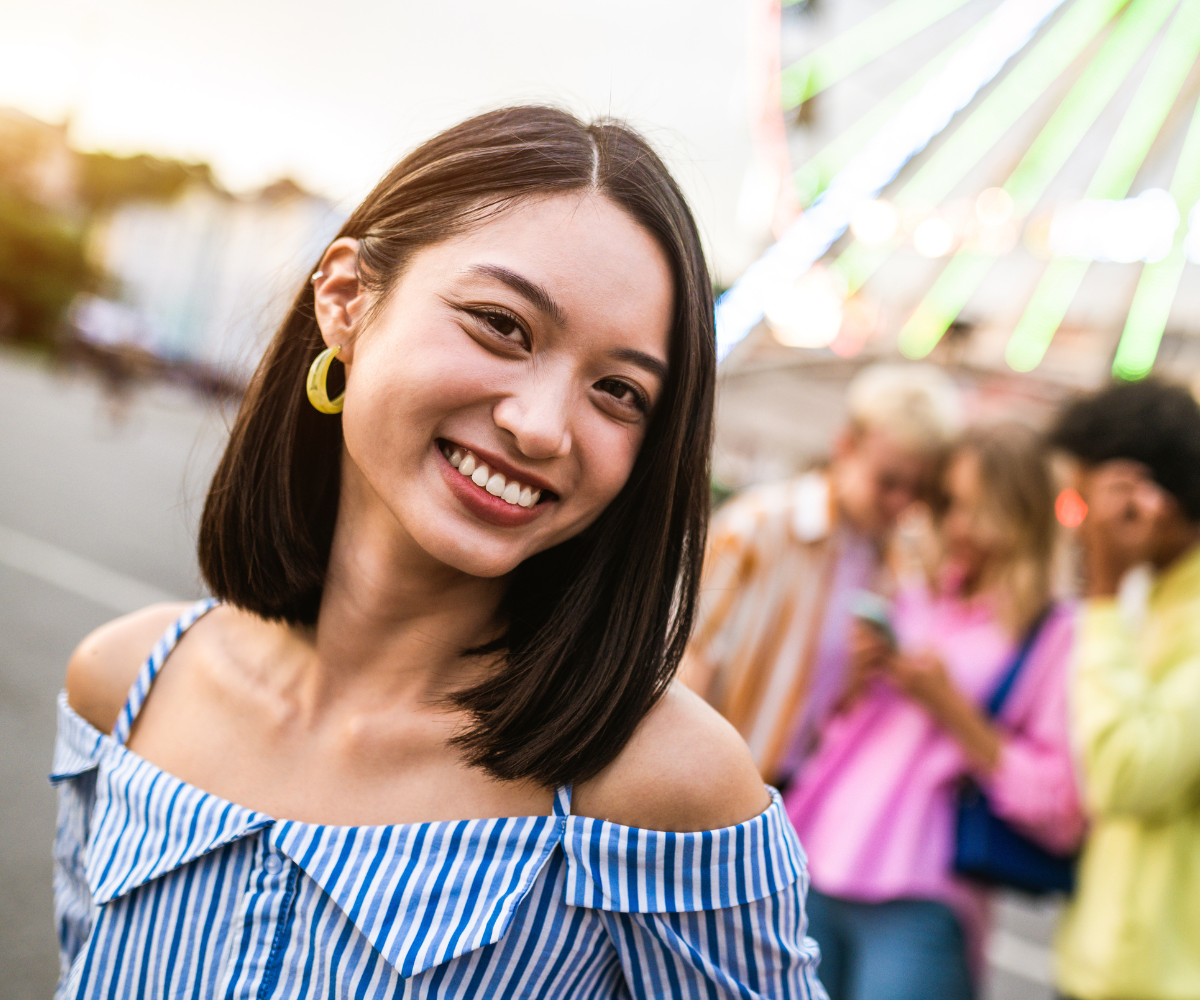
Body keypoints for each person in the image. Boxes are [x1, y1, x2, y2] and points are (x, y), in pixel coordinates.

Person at [50, 107, 826, 999]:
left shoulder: (662, 793)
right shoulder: (122, 684)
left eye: (618, 391)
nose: (540, 427)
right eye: (501, 324)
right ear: (346, 299)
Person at [784, 425, 1085, 1000]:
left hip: (923, 886)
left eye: (977, 509)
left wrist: (952, 709)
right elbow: (838, 730)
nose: (957, 527)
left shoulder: (1052, 634)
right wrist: (858, 679)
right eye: (950, 504)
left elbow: (1059, 805)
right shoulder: (919, 594)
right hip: (815, 852)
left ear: (1019, 515)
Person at [683, 363, 959, 783]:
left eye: (917, 491)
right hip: (711, 784)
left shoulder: (895, 566)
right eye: (887, 482)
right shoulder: (759, 527)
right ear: (844, 445)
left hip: (798, 793)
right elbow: (687, 665)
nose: (901, 504)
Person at [1049, 379, 1200, 1000]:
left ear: (1143, 499)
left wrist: (1104, 586)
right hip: (1111, 966)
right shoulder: (1162, 595)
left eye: (1079, 508)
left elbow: (1122, 772)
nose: (1077, 529)